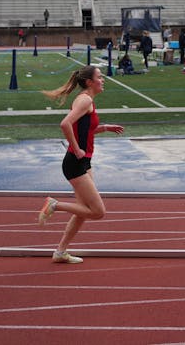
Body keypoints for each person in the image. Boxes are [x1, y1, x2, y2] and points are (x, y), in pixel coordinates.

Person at [37, 66, 124, 264]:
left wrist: (104, 128)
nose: (103, 80)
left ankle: (60, 252)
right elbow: (65, 124)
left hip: (83, 162)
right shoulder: (85, 100)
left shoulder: (87, 100)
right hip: (75, 163)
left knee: (82, 211)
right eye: (99, 77)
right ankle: (54, 205)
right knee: (98, 212)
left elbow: (84, 130)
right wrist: (76, 149)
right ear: (89, 82)